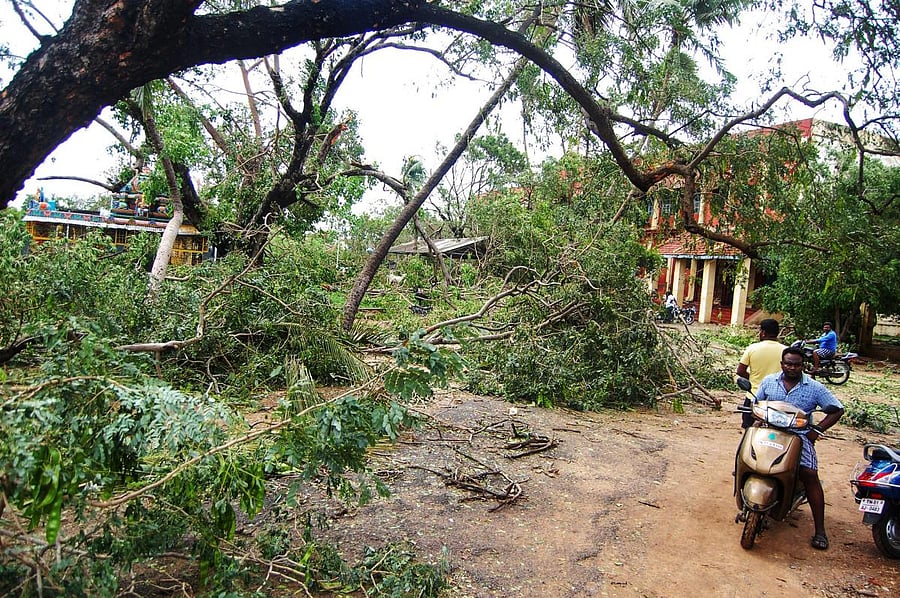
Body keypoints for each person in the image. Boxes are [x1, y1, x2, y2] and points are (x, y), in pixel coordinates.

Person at [755, 346, 844, 550]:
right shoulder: (769, 381)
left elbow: (837, 409)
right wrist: (756, 417)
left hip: (799, 437)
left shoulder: (814, 387)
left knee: (809, 474)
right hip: (769, 432)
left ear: (802, 365)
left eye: (796, 364)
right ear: (782, 364)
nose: (792, 367)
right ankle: (749, 504)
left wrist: (817, 431)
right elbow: (756, 402)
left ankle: (820, 530)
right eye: (788, 363)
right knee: (747, 458)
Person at [735, 318, 786, 429]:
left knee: (749, 430)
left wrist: (752, 378)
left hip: (754, 396)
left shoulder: (752, 348)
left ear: (763, 332)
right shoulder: (786, 351)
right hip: (778, 399)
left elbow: (740, 371)